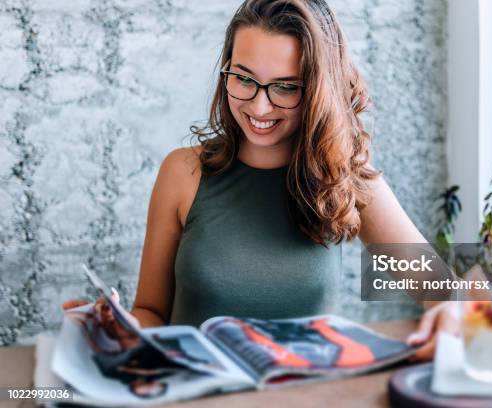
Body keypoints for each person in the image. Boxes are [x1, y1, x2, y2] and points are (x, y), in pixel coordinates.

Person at [63, 0, 458, 362]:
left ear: (319, 90)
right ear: (227, 71)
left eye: (286, 87)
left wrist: (455, 314)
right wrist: (121, 329)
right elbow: (151, 311)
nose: (259, 105)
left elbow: (441, 290)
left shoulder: (347, 177)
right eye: (244, 79)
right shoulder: (182, 173)